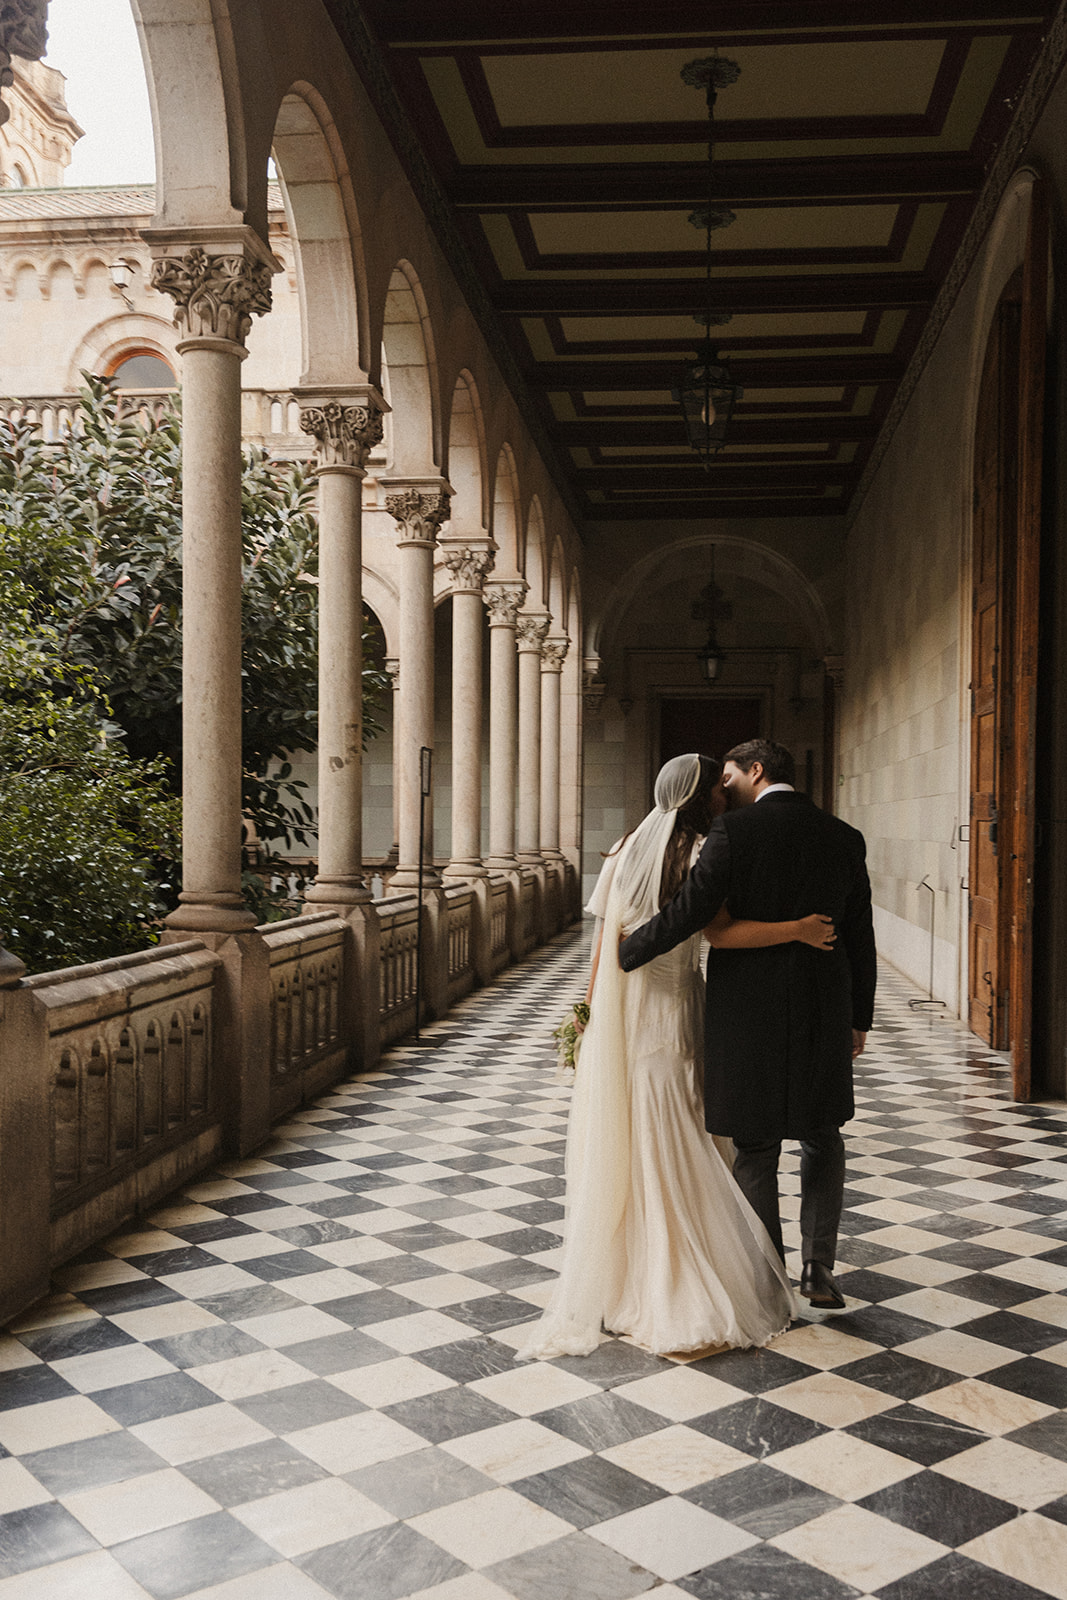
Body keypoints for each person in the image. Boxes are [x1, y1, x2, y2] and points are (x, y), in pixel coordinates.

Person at [517, 752, 837, 1361]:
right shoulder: (702, 850)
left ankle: (627, 1274)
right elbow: (714, 929)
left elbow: (603, 948)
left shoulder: (622, 847)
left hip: (625, 1008)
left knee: (633, 1128)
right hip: (674, 1002)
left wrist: (587, 1015)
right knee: (682, 1119)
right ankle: (684, 1275)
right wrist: (796, 928)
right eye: (718, 786)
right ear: (702, 797)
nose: (726, 792)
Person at [619, 738, 877, 1311]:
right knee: (822, 1135)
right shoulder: (844, 836)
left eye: (730, 774)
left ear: (756, 770)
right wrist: (860, 1017)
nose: (725, 786)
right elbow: (861, 933)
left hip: (746, 1010)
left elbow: (691, 911)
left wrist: (629, 952)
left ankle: (767, 1273)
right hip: (823, 1006)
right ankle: (819, 1268)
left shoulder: (732, 835)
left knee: (754, 1145)